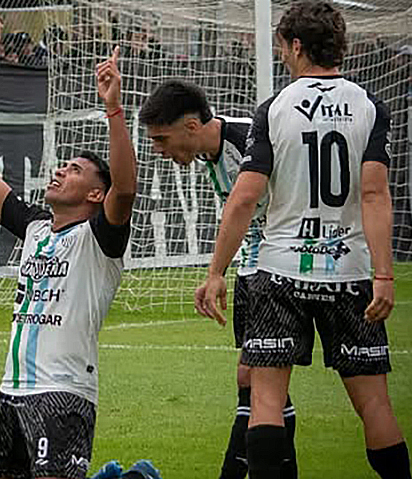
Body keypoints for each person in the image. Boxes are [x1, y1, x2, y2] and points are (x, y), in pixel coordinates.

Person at [197, 2, 410, 478]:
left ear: (296, 45)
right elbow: (375, 194)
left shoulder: (274, 109)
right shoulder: (370, 106)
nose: (282, 56)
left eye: (282, 47)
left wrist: (215, 272)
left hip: (281, 272)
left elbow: (245, 197)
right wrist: (384, 275)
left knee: (266, 400)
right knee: (374, 404)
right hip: (350, 271)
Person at [0, 44, 137, 479]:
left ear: (96, 194)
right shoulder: (35, 227)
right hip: (10, 391)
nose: (59, 171)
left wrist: (113, 109)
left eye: (73, 170)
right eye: (63, 166)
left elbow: (125, 189)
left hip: (63, 393)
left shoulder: (98, 239)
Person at [138, 80, 297, 479]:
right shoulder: (211, 154)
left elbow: (253, 204)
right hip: (253, 268)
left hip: (279, 269)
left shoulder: (248, 140)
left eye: (161, 139)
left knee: (255, 379)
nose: (158, 150)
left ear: (191, 126)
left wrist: (215, 273)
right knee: (260, 385)